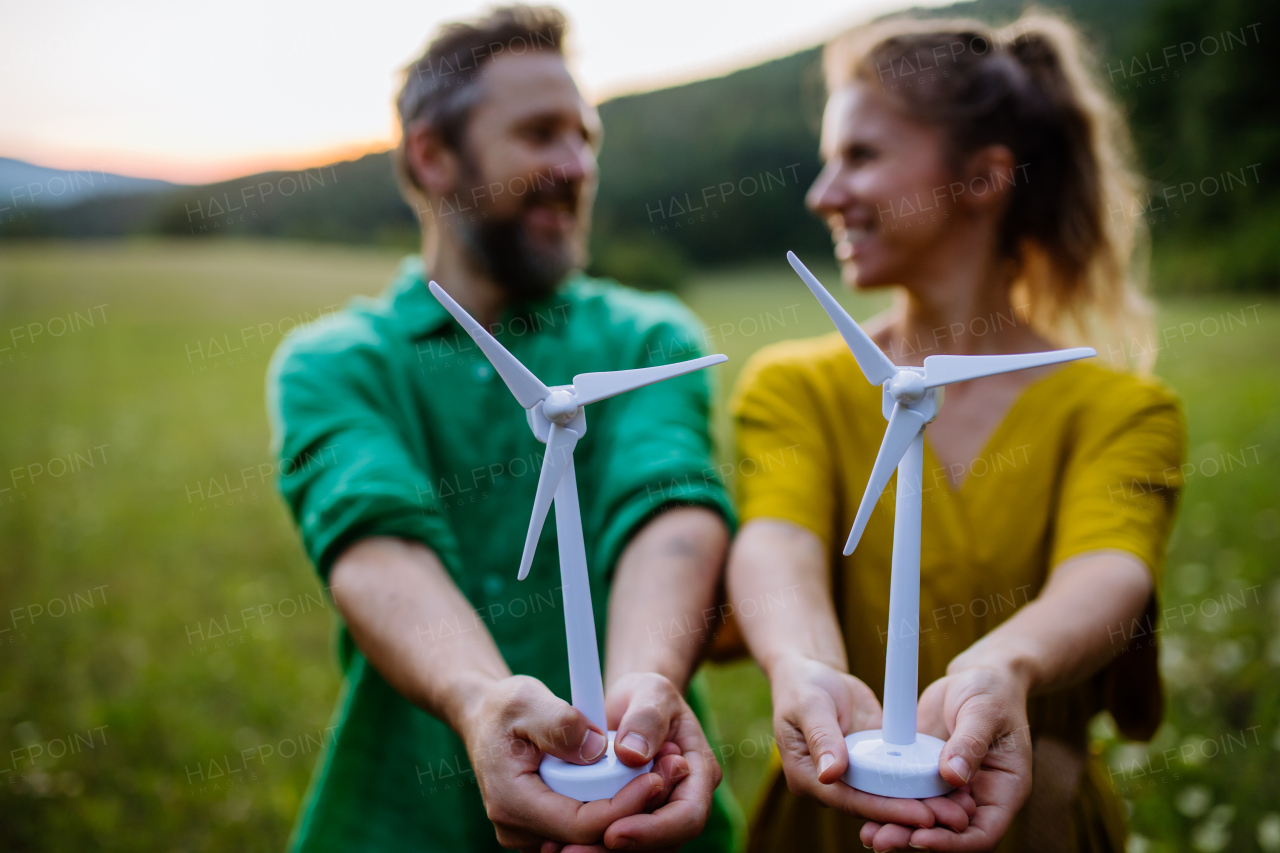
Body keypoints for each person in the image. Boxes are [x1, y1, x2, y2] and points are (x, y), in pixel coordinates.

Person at [267, 6, 743, 851]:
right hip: (406, 818)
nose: (577, 165)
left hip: (651, 797)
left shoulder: (651, 338)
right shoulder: (334, 362)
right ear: (432, 154)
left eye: (587, 139)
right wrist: (482, 698)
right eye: (540, 134)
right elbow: (378, 541)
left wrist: (640, 692)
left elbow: (667, 506)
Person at [725, 13, 1185, 853]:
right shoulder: (795, 386)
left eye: (861, 156)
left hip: (1030, 820)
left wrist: (1003, 667)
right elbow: (776, 540)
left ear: (980, 180)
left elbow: (1110, 568)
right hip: (834, 810)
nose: (824, 194)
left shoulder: (1123, 411)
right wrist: (803, 664)